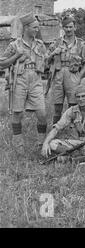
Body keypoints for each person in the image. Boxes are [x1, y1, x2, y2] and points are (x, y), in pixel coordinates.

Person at [0, 13, 48, 152]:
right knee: (17, 113)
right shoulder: (15, 45)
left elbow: (46, 61)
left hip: (36, 79)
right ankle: (18, 146)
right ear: (26, 27)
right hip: (19, 79)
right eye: (34, 27)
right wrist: (17, 56)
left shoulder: (40, 44)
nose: (37, 30)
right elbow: (1, 63)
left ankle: (42, 144)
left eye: (38, 27)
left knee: (42, 113)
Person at [41, 85, 85, 161]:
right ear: (75, 98)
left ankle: (71, 157)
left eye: (83, 96)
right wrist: (45, 143)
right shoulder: (71, 111)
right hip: (76, 143)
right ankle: (81, 157)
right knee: (52, 143)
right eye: (78, 97)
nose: (81, 99)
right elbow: (56, 129)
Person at [47, 15, 85, 124]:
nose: (68, 29)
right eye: (66, 27)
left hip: (73, 75)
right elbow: (46, 61)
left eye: (71, 27)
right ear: (63, 28)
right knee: (57, 107)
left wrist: (79, 76)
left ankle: (72, 130)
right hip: (58, 74)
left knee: (73, 105)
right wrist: (53, 53)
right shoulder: (56, 42)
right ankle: (56, 131)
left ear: (75, 27)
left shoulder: (80, 43)